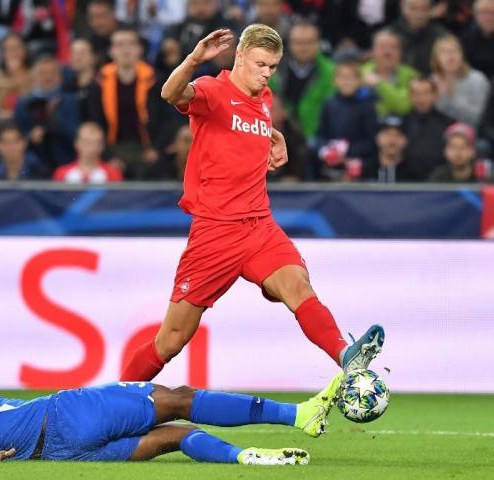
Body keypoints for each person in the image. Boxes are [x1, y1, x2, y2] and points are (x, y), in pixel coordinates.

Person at [120, 25, 385, 383]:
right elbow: (171, 93)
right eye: (261, 64)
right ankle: (109, 404)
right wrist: (196, 59)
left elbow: (247, 130)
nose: (266, 73)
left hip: (259, 225)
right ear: (240, 56)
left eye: (273, 66)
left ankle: (345, 355)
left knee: (298, 286)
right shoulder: (214, 91)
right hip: (215, 231)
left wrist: (276, 139)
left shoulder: (265, 99)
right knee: (171, 340)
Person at [0, 350, 343, 465]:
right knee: (176, 400)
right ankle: (298, 416)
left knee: (175, 436)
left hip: (60, 454)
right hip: (64, 415)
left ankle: (245, 459)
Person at [87, 27, 157, 179]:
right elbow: (95, 121)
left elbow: (164, 120)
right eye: (119, 45)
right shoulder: (100, 82)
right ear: (111, 51)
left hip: (147, 148)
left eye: (131, 44)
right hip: (111, 147)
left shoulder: (154, 80)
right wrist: (108, 156)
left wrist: (156, 149)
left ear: (140, 49)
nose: (126, 50)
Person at [14, 56, 80, 177]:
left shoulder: (70, 101)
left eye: (52, 73)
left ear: (60, 78)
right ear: (34, 77)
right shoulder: (24, 103)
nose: (47, 77)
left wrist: (52, 120)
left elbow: (75, 135)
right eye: (42, 73)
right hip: (34, 163)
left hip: (64, 158)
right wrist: (30, 137)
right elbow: (17, 133)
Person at [269, 21, 336, 142]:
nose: (303, 48)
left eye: (309, 42)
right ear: (289, 44)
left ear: (318, 43)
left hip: (317, 136)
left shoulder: (330, 72)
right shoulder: (273, 69)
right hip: (280, 134)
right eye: (298, 43)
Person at [316, 60, 379, 181]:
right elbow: (321, 135)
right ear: (335, 80)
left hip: (359, 165)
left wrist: (347, 151)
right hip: (332, 164)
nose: (347, 82)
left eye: (351, 77)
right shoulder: (329, 104)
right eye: (343, 77)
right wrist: (326, 151)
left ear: (359, 81)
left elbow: (372, 141)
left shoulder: (367, 106)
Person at [430, 34, 491, 129]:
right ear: (436, 58)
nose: (450, 56)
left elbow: (480, 118)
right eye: (444, 52)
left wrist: (450, 99)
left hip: (473, 133)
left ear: (462, 55)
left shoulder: (477, 79)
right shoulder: (432, 81)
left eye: (454, 51)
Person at [402, 77, 455, 180]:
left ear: (435, 95)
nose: (421, 98)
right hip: (407, 180)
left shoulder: (448, 124)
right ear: (410, 96)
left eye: (425, 93)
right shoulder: (402, 124)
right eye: (416, 94)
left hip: (441, 180)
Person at [360, 28, 418, 118]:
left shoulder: (412, 76)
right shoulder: (359, 73)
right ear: (372, 51)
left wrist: (378, 84)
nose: (387, 52)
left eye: (393, 47)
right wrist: (393, 99)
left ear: (400, 52)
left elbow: (403, 106)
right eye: (382, 47)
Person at [390, 0, 448, 76]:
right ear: (403, 9)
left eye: (424, 9)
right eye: (413, 8)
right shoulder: (390, 35)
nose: (419, 14)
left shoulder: (441, 37)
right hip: (395, 84)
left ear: (430, 11)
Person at [53, 122, 123, 183]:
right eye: (86, 142)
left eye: (96, 143)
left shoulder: (113, 173)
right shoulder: (62, 173)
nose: (91, 148)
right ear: (77, 144)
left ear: (102, 146)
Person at [0, 33, 33, 119]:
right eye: (9, 49)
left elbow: (32, 102)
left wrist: (18, 75)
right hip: (3, 120)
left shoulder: (33, 73)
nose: (14, 53)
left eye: (17, 48)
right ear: (2, 54)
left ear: (25, 50)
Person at [375, 115, 415, 183]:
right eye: (387, 134)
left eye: (398, 135)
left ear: (406, 140)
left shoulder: (414, 174)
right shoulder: (365, 172)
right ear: (378, 138)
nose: (392, 141)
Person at [460, 0, 494, 79]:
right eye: (483, 13)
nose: (488, 17)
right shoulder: (466, 37)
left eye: (492, 12)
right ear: (475, 15)